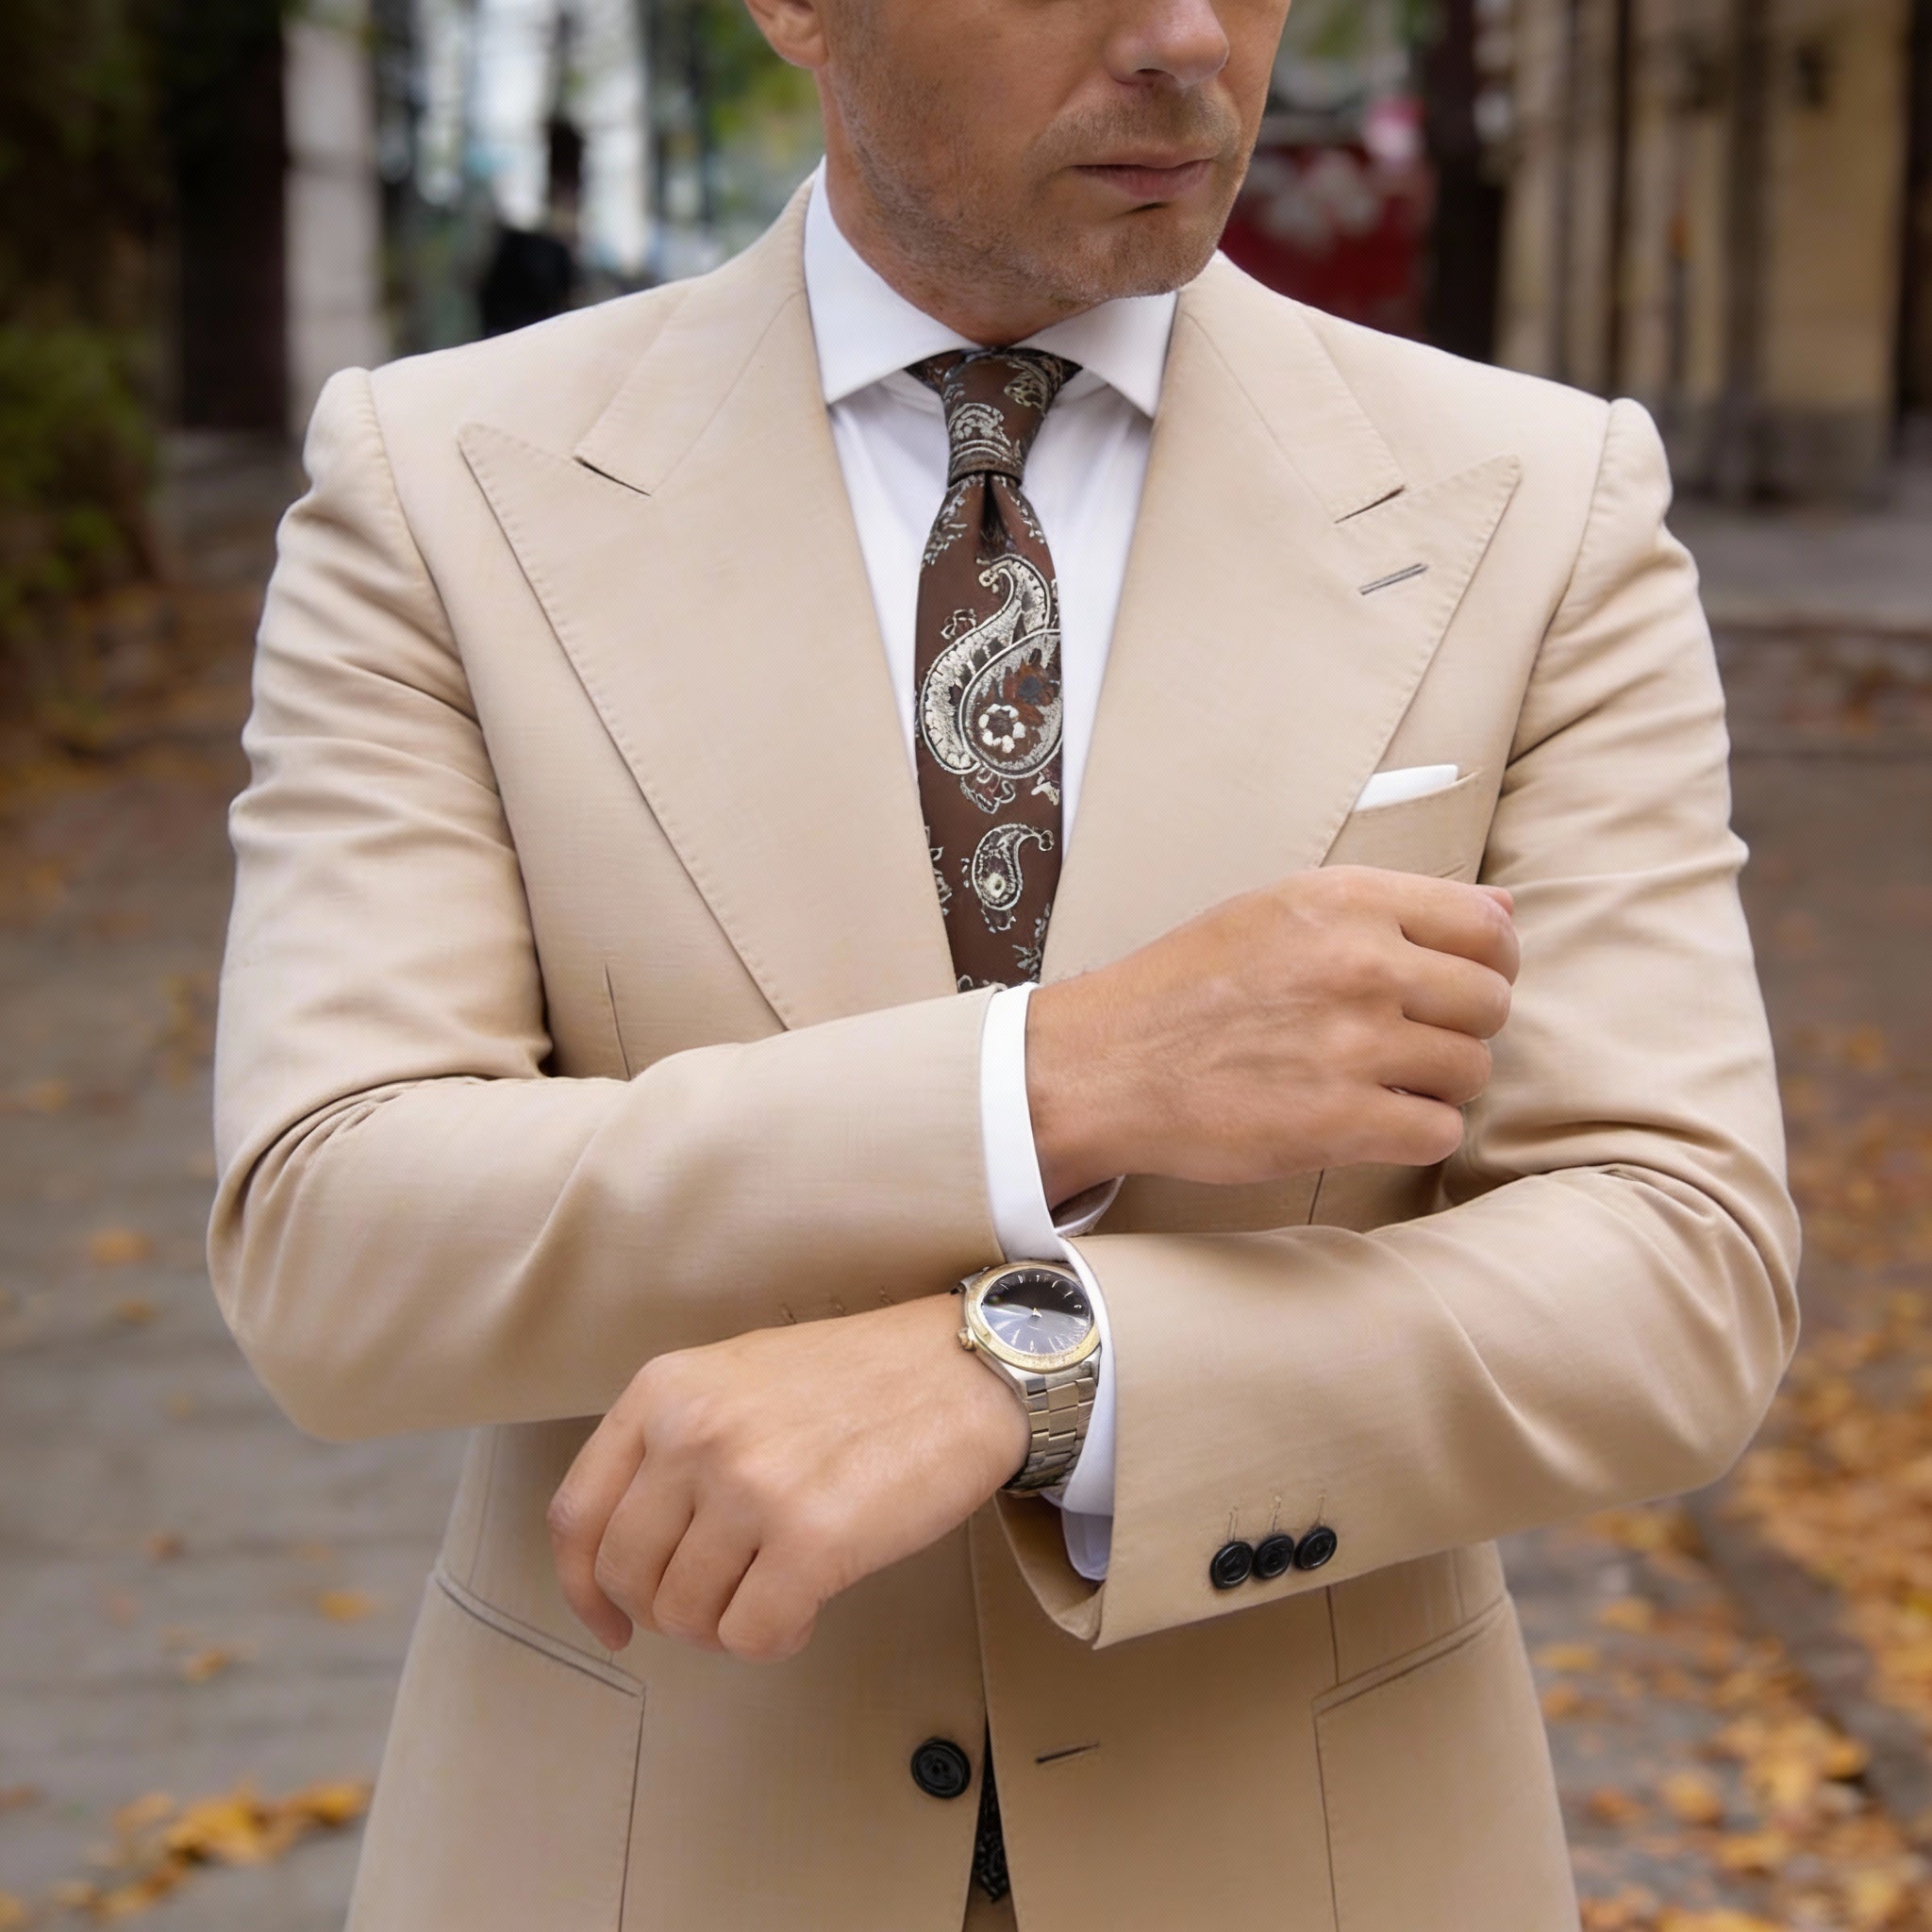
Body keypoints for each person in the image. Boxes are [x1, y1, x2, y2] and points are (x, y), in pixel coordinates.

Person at [208, 0, 1800, 1926]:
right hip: (644, 1854)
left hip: (1315, 1856)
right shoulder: (443, 486)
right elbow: (332, 1233)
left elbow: (1672, 1269)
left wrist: (1034, 1376)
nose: (1186, 35)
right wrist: (1050, 1078)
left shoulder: (1537, 506)